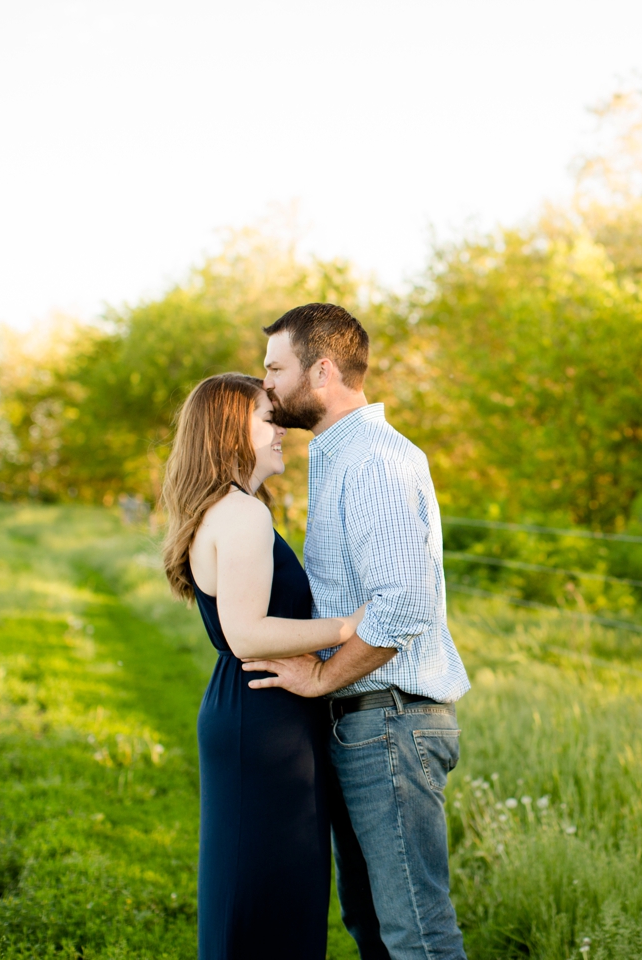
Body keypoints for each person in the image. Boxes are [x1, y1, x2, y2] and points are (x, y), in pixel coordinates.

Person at [242, 303, 471, 960]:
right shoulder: (341, 456)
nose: (265, 385)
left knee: (415, 934)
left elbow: (402, 606)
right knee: (372, 929)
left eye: (274, 369)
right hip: (368, 724)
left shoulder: (373, 460)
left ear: (320, 371)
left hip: (390, 723)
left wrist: (320, 675)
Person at [159, 372, 365, 960]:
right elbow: (246, 632)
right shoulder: (241, 513)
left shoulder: (222, 510)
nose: (282, 432)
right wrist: (349, 627)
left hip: (251, 707)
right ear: (230, 431)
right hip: (265, 713)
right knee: (269, 893)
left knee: (253, 888)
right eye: (268, 419)